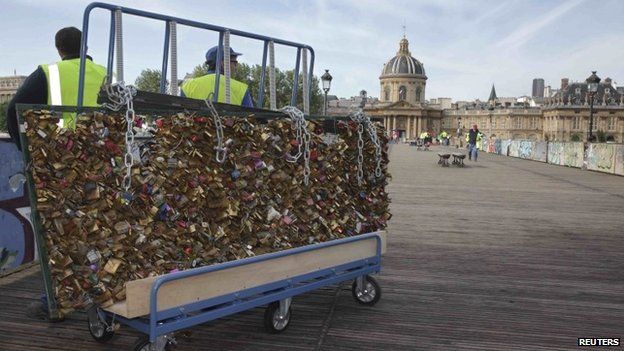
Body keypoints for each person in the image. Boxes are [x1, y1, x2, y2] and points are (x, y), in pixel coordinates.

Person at [7, 27, 107, 150]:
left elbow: (13, 110)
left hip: (61, 155)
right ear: (85, 48)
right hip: (103, 153)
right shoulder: (107, 73)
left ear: (59, 50)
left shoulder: (47, 72)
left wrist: (24, 148)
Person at [181, 46, 254, 107]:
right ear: (223, 63)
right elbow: (251, 118)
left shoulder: (188, 86)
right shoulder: (241, 89)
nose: (236, 67)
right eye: (235, 63)